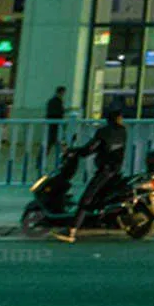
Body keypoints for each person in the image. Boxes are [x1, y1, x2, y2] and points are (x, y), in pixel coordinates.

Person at [53, 107, 127, 243]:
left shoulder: (104, 132)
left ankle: (72, 230)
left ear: (108, 119)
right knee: (97, 198)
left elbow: (90, 149)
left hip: (105, 171)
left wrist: (74, 151)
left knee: (86, 199)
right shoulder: (123, 131)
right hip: (115, 171)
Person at [45, 85, 67, 151]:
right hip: (54, 125)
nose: (63, 95)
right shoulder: (55, 101)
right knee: (51, 142)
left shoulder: (56, 101)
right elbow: (53, 113)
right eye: (62, 93)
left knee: (54, 142)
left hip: (55, 125)